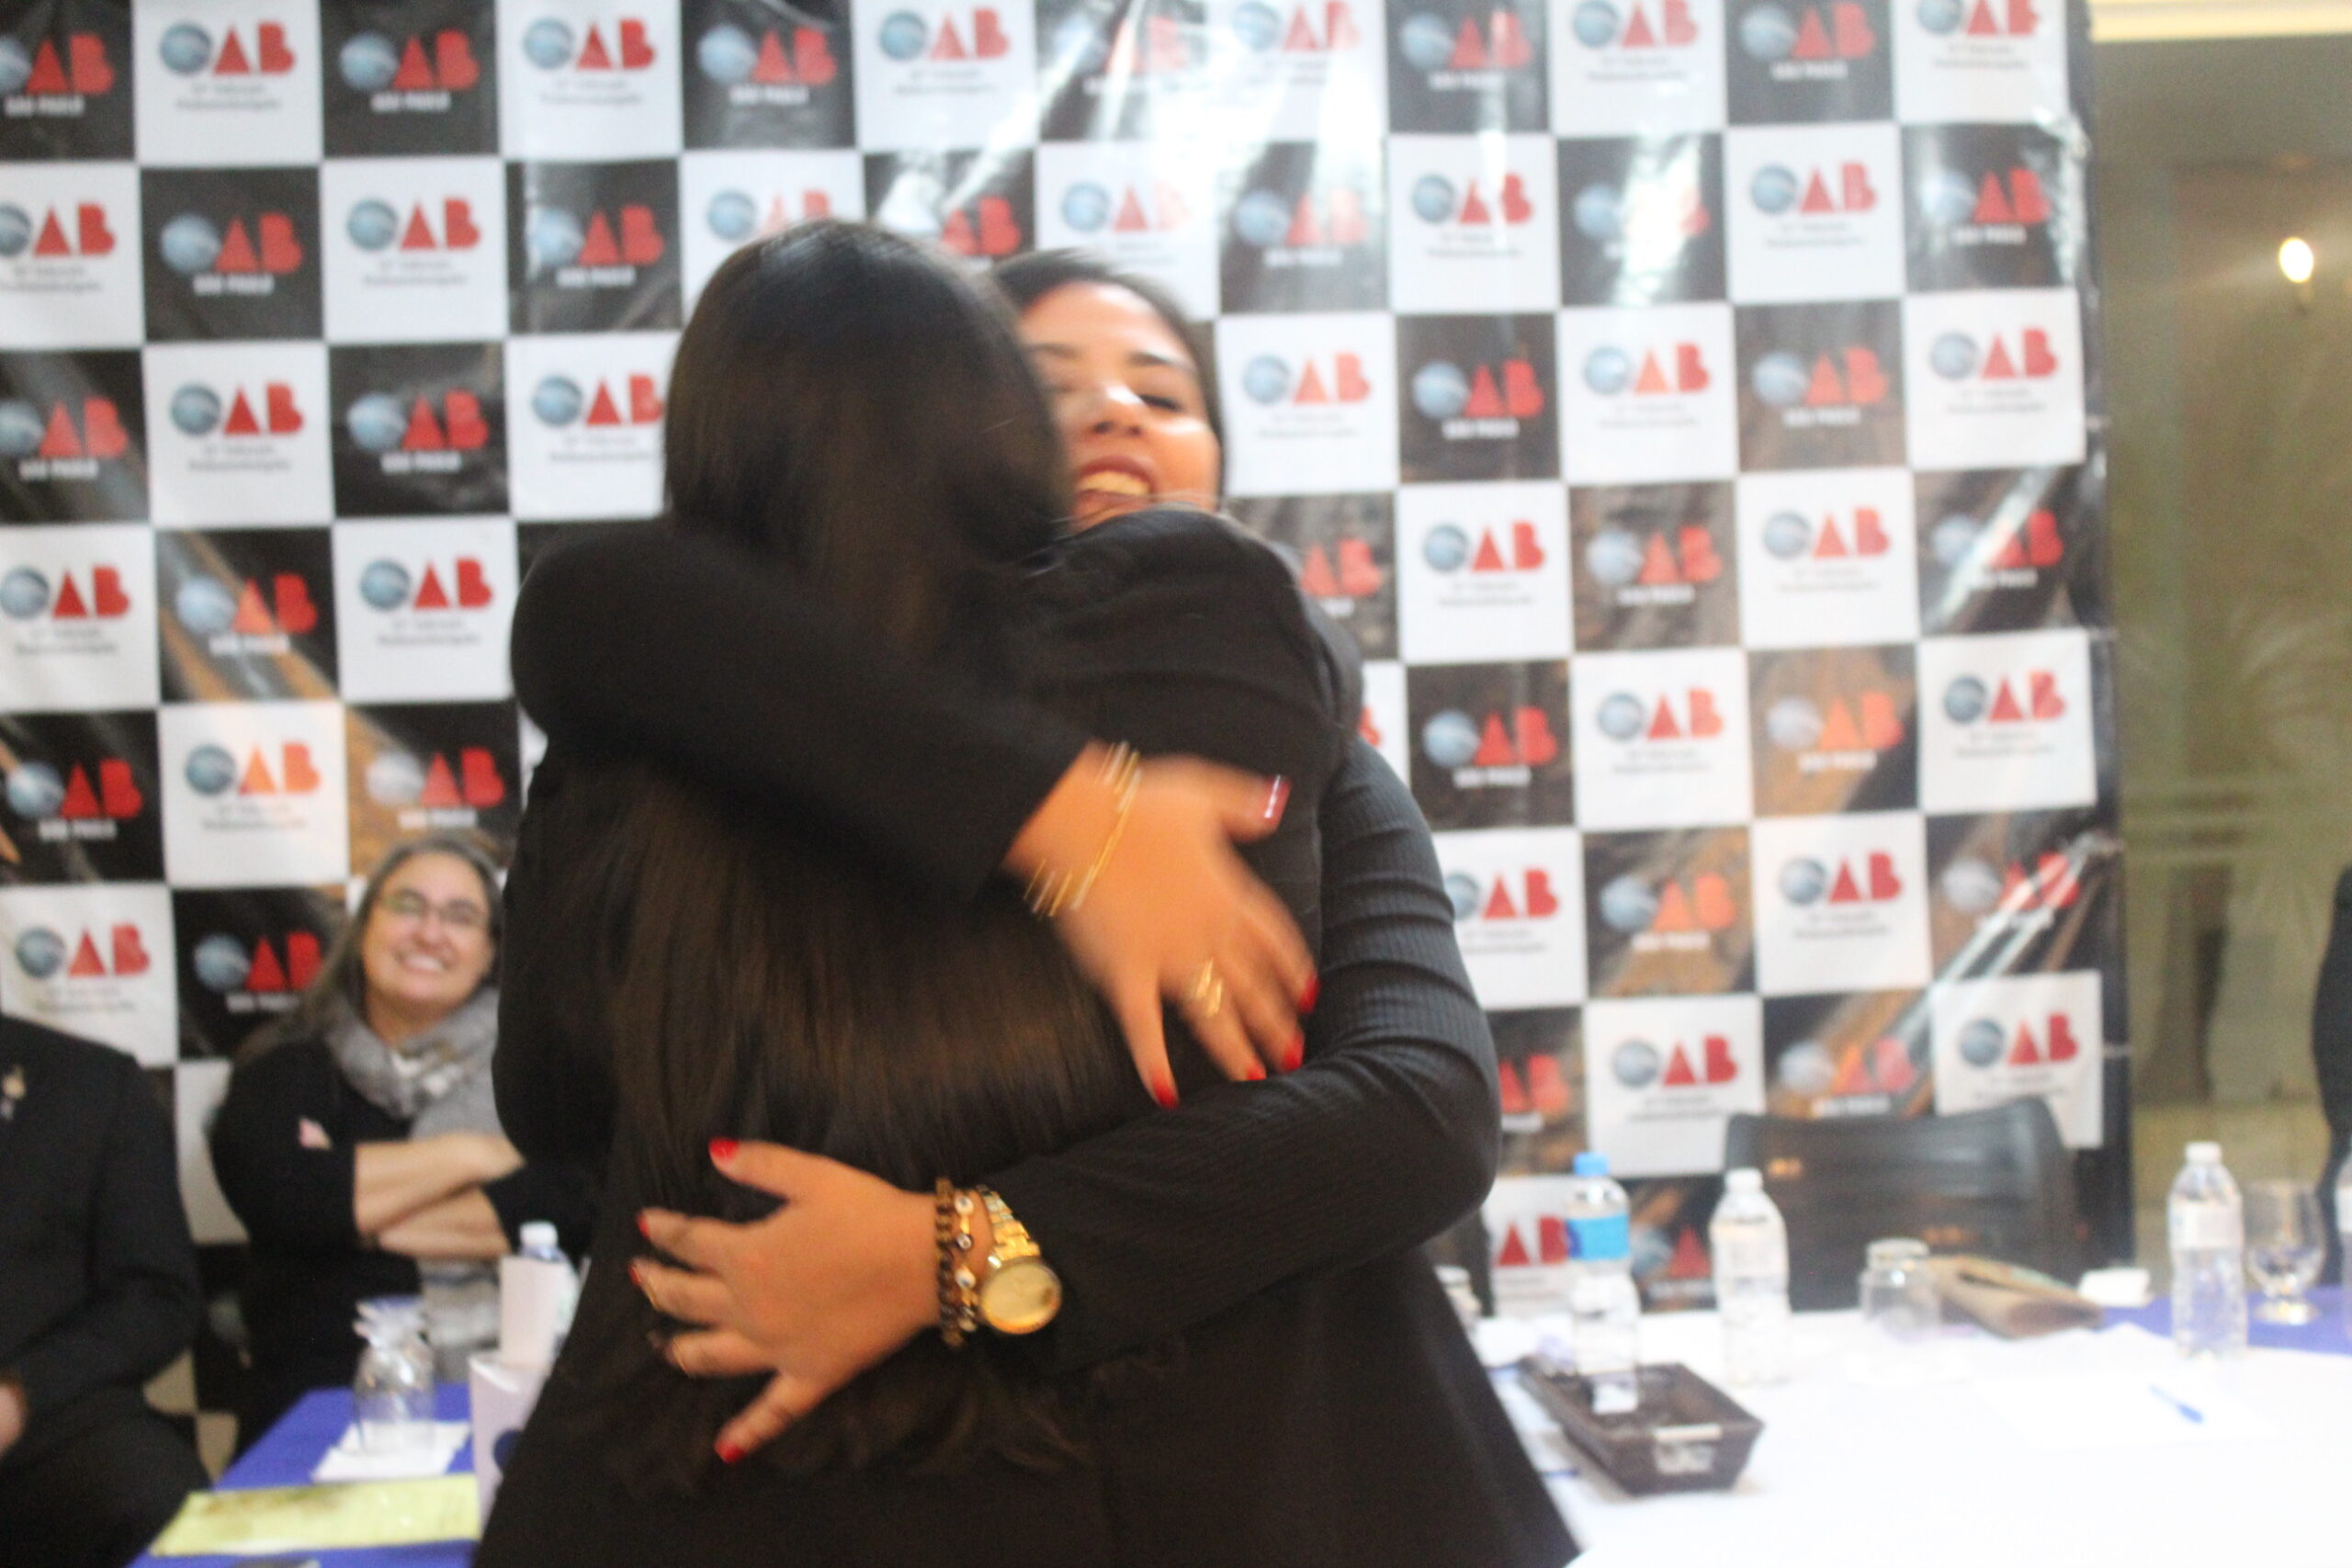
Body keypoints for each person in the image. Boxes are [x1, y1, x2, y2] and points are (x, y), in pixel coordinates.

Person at [480, 222, 1569, 1568]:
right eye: (1051, 385)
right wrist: (1066, 816)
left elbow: (1418, 1106)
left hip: (1145, 1463)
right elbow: (599, 608)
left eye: (1162, 392)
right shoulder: (660, 693)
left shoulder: (1275, 724)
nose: (1116, 412)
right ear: (960, 430)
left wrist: (954, 1253)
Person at [209, 833, 596, 1448]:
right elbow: (286, 1197)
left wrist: (348, 1207)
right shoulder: (284, 1064)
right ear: (364, 927)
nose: (429, 933)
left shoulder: (541, 1076)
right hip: (317, 1395)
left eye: (460, 916)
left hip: (518, 1400)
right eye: (407, 906)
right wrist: (473, 1155)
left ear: (490, 950)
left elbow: (571, 1205)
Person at [0, 1017, 209, 1568]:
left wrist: (19, 1395)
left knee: (167, 1508)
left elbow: (156, 1296)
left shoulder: (87, 1081)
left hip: (44, 1424)